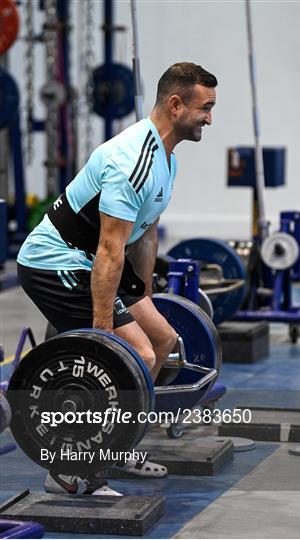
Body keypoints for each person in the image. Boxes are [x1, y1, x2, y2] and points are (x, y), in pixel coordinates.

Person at [16, 62, 217, 496]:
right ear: (175, 103)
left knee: (162, 340)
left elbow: (144, 237)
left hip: (95, 260)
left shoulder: (167, 161)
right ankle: (69, 470)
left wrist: (142, 294)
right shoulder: (130, 160)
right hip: (55, 260)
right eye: (205, 108)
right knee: (135, 355)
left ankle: (117, 441)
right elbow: (108, 249)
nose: (209, 119)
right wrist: (105, 341)